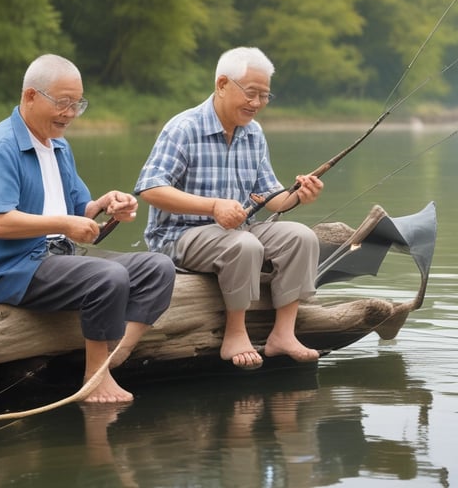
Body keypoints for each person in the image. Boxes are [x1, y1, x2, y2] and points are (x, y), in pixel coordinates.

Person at [0, 54, 175, 403]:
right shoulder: (0, 147)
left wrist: (107, 206)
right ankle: (94, 378)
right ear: (30, 96)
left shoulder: (59, 146)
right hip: (8, 269)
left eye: (77, 104)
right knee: (107, 276)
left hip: (57, 258)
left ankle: (115, 354)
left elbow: (78, 211)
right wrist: (65, 224)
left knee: (158, 267)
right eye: (62, 103)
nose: (70, 113)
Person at [134, 46, 323, 369]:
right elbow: (150, 188)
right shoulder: (184, 128)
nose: (257, 104)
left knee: (301, 237)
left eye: (264, 96)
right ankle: (235, 334)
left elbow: (271, 195)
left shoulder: (254, 133)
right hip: (179, 238)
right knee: (244, 243)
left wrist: (299, 195)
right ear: (222, 84)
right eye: (251, 93)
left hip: (235, 233)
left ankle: (283, 334)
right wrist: (212, 207)